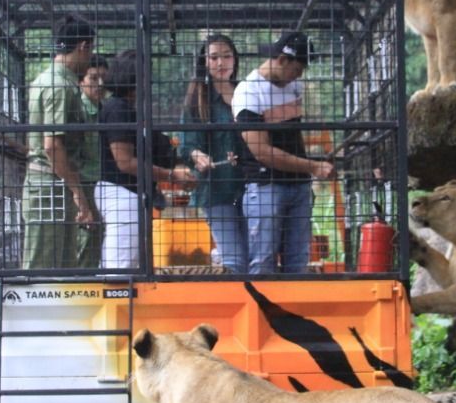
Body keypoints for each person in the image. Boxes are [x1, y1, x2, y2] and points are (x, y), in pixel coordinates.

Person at [232, 30, 334, 274]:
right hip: (266, 185)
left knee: (297, 262)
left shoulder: (294, 85)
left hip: (298, 186)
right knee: (263, 261)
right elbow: (262, 152)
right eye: (297, 69)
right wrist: (312, 166)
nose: (299, 76)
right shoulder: (248, 92)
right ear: (282, 60)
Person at [96, 50, 196, 269]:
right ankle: (116, 302)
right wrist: (171, 175)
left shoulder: (130, 110)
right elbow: (125, 162)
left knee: (132, 263)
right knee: (121, 267)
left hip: (132, 195)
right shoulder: (117, 109)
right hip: (122, 194)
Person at [22, 17, 96, 270]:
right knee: (43, 268)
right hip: (49, 187)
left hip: (53, 184)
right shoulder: (60, 86)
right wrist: (78, 192)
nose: (91, 57)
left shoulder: (47, 79)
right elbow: (52, 145)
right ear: (84, 46)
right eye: (91, 50)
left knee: (63, 266)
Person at [179, 34, 247, 273]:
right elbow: (186, 145)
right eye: (214, 57)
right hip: (217, 189)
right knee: (235, 260)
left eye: (227, 56)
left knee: (258, 258)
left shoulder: (246, 92)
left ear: (235, 60)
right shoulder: (198, 98)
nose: (221, 63)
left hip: (252, 187)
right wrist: (198, 155)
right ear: (205, 62)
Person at [75, 54, 109, 267]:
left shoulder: (104, 110)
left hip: (101, 183)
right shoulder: (78, 110)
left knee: (98, 242)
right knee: (86, 241)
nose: (100, 84)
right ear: (81, 80)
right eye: (94, 78)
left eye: (104, 78)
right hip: (83, 184)